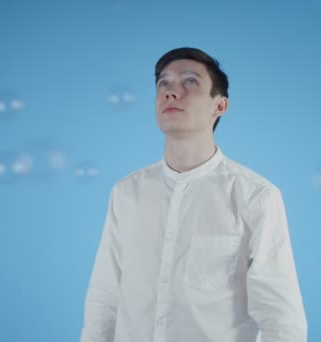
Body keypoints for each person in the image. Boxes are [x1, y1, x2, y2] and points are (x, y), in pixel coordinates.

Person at [80, 47, 307, 342]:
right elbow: (105, 298)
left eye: (190, 82)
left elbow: (281, 318)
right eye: (164, 83)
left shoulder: (256, 196)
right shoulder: (127, 193)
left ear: (220, 106)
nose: (172, 92)